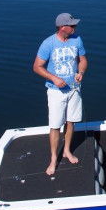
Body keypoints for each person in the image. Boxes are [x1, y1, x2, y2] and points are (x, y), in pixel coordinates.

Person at [34, 12, 87, 175]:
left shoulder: (77, 40)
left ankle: (67, 151)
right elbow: (37, 67)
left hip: (73, 89)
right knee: (56, 125)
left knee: (71, 121)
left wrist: (81, 72)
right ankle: (53, 159)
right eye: (72, 25)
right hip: (56, 91)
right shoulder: (48, 44)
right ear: (63, 27)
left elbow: (83, 60)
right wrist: (54, 79)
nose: (75, 27)